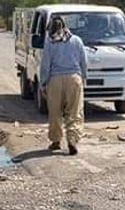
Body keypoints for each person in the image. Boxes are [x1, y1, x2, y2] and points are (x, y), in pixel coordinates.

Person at [38, 15, 88, 155]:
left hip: (55, 80)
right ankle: (72, 139)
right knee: (75, 111)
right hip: (74, 79)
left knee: (55, 112)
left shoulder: (50, 42)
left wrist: (43, 83)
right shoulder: (77, 41)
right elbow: (84, 61)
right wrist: (84, 77)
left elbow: (45, 65)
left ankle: (56, 141)